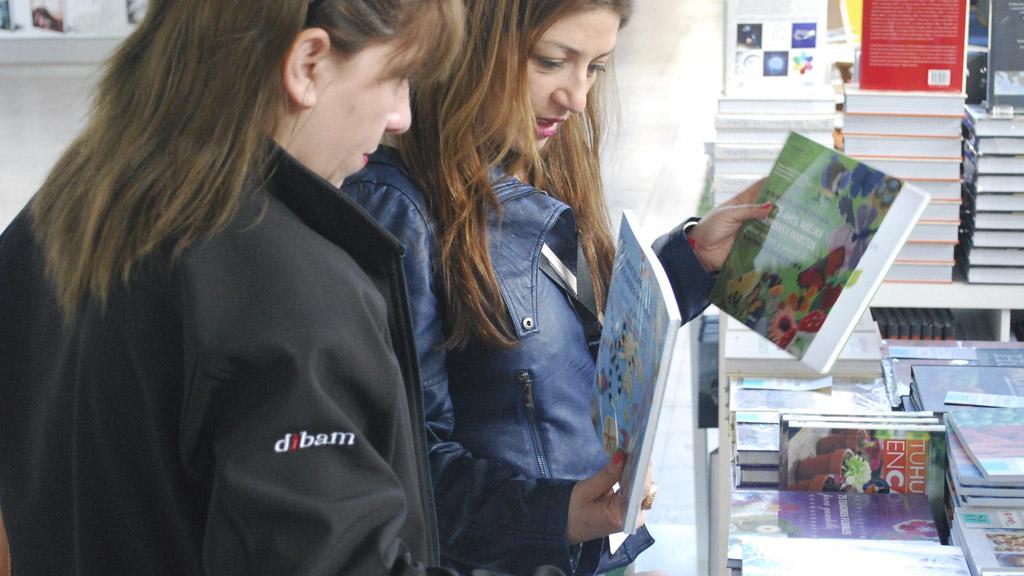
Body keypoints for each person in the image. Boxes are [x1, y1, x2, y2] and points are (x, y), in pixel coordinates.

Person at [0, 1, 565, 575]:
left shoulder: (51, 222)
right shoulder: (287, 287)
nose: (401, 116)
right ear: (307, 64)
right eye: (396, 78)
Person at [341, 0, 772, 574]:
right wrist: (558, 514)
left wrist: (691, 261)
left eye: (595, 67)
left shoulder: (534, 155)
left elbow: (572, 342)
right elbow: (406, 466)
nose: (577, 98)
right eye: (550, 62)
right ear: (469, 48)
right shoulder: (399, 210)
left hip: (587, 550)